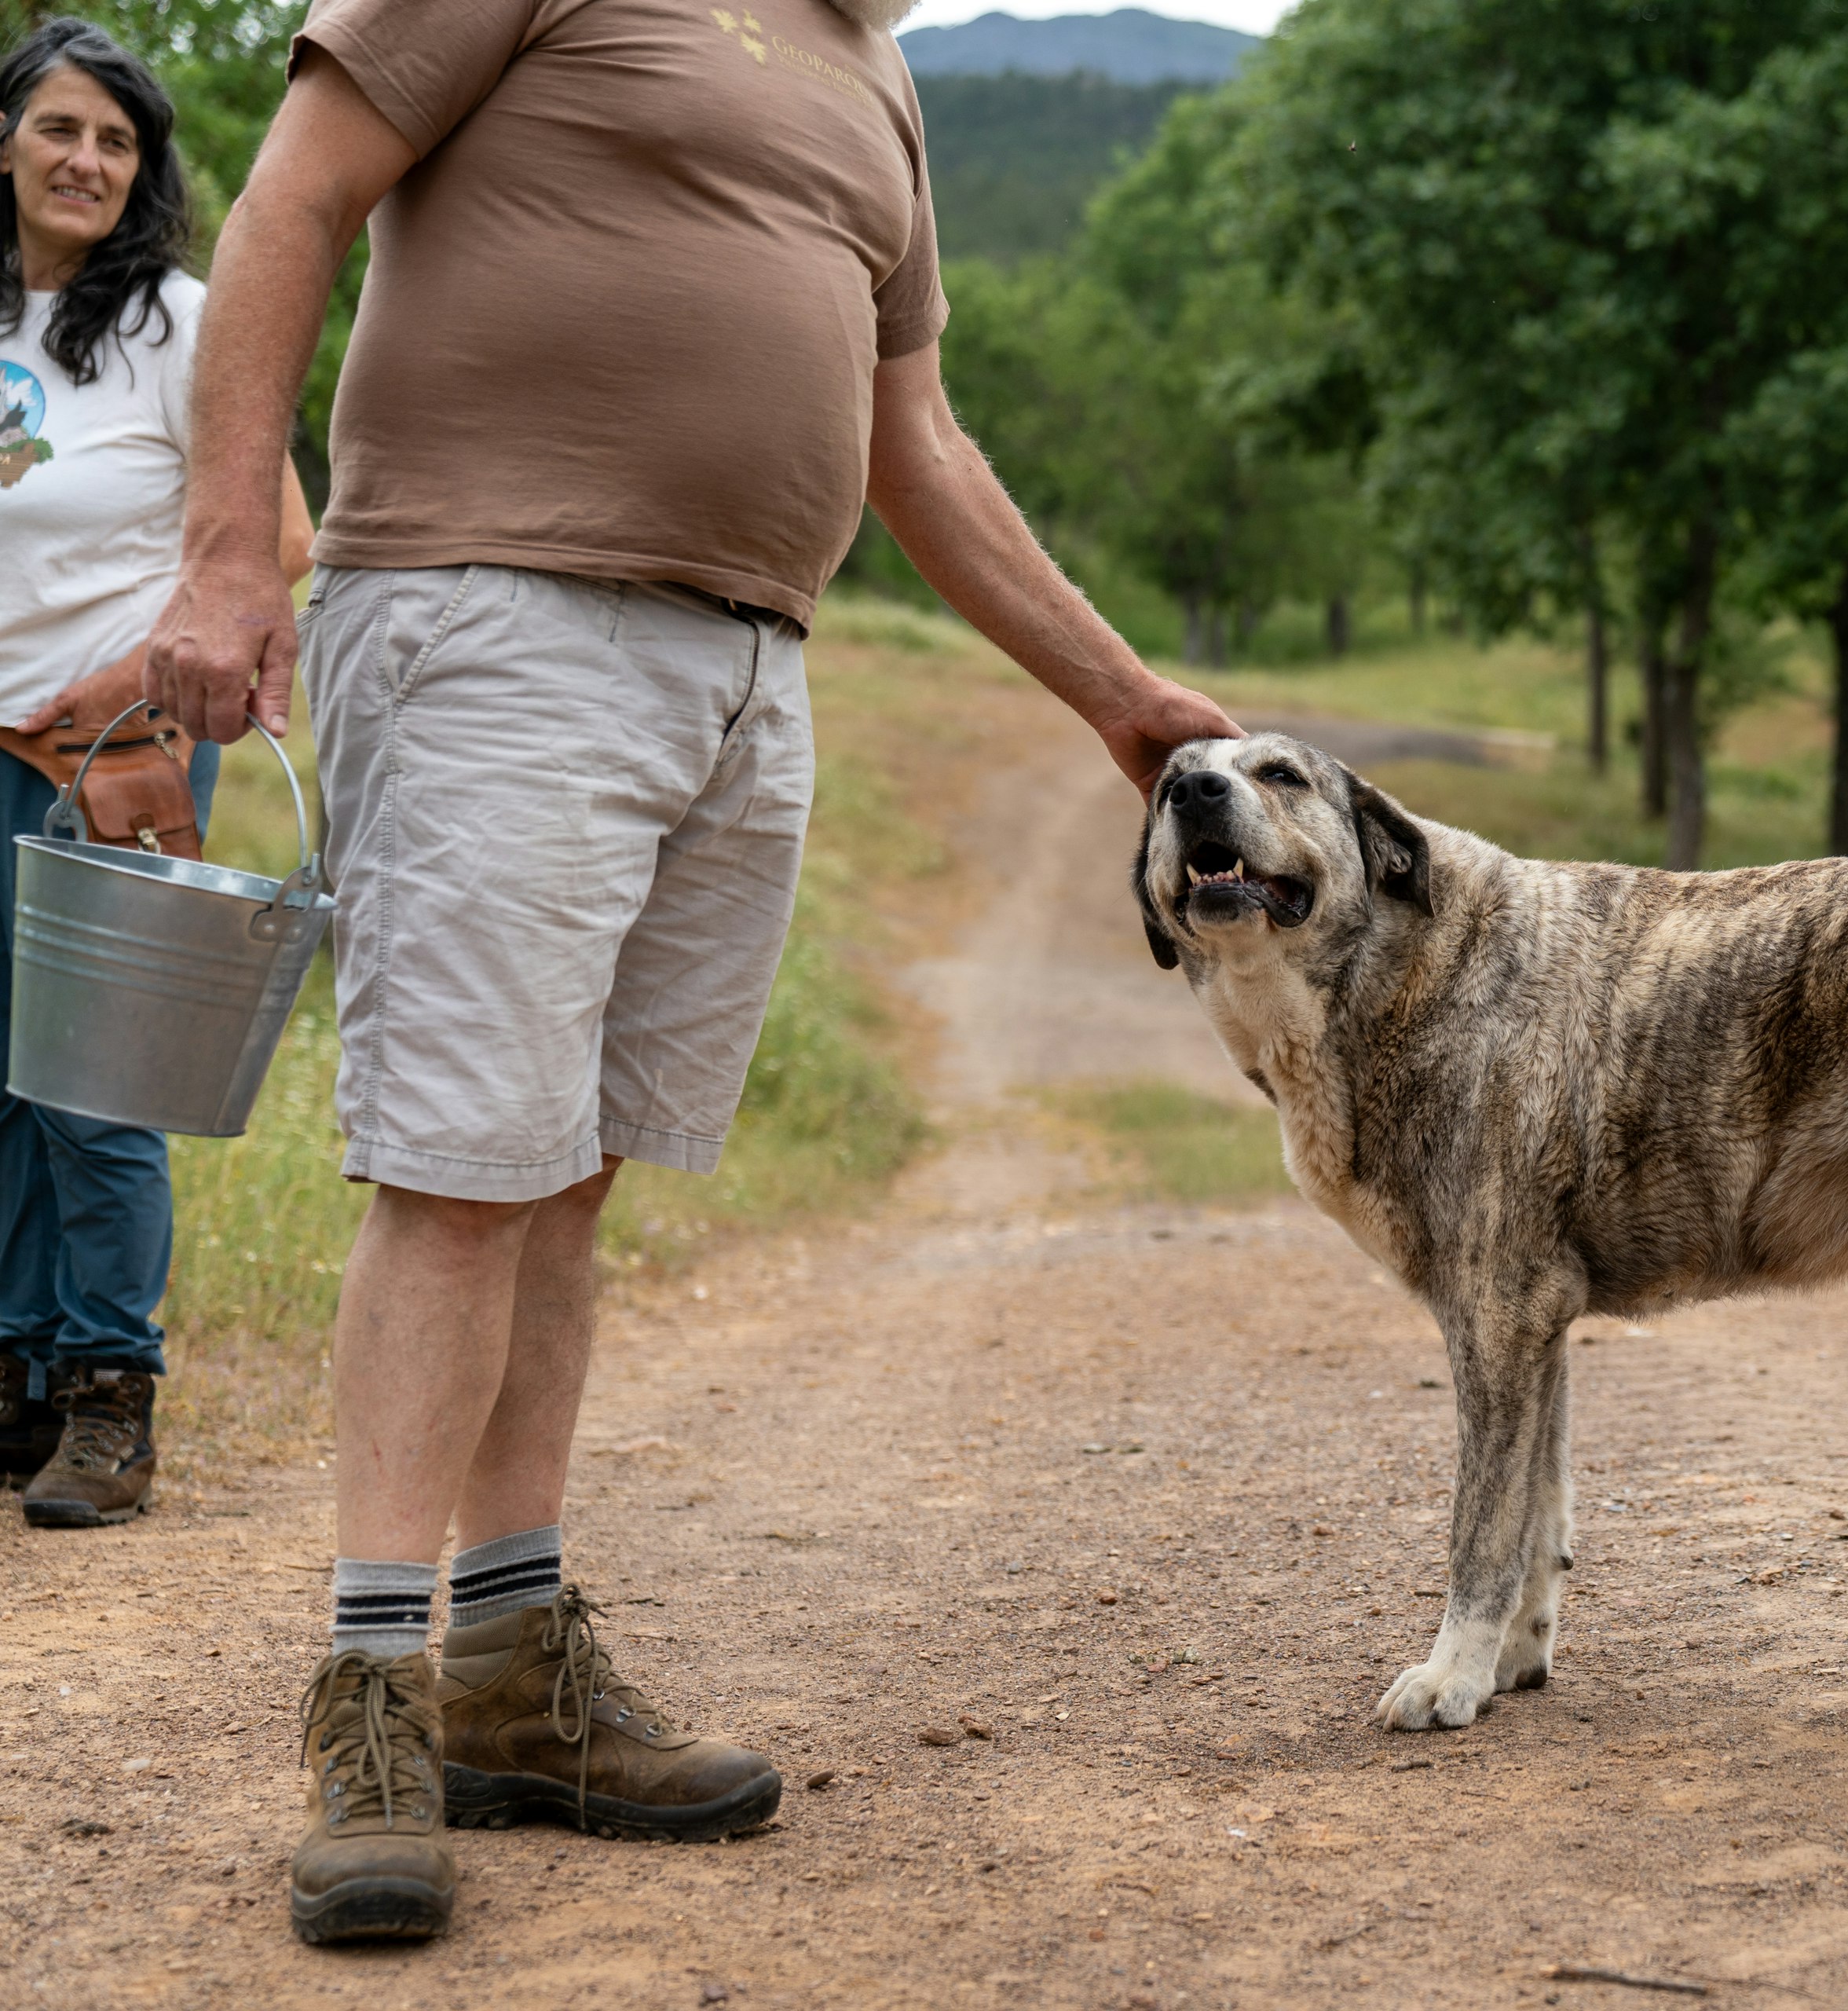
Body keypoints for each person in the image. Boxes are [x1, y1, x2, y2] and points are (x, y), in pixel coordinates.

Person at [140, 0, 1239, 1948]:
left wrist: (1120, 697)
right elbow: (291, 193)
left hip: (746, 667)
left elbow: (915, 441)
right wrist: (231, 548)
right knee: (465, 1166)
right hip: (492, 615)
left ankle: (508, 1667)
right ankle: (373, 1700)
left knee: (568, 1167)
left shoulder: (876, 74)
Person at [0, 18, 315, 1528]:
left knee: (96, 1086)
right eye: (62, 130)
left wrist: (134, 690)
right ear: (3, 143)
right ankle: (15, 1376)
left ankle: (111, 1397)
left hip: (110, 748)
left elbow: (287, 546)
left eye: (118, 142)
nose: (89, 162)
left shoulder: (181, 323)